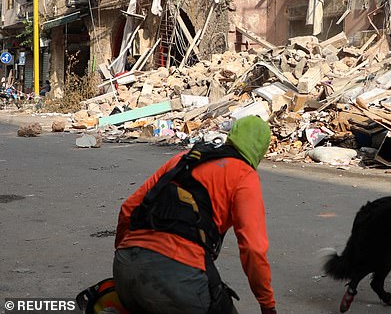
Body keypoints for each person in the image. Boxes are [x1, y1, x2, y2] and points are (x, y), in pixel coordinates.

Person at [113, 116, 277, 314]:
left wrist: (130, 255)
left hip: (124, 270)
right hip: (177, 278)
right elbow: (253, 248)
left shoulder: (184, 159)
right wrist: (267, 305)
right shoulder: (245, 176)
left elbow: (128, 208)